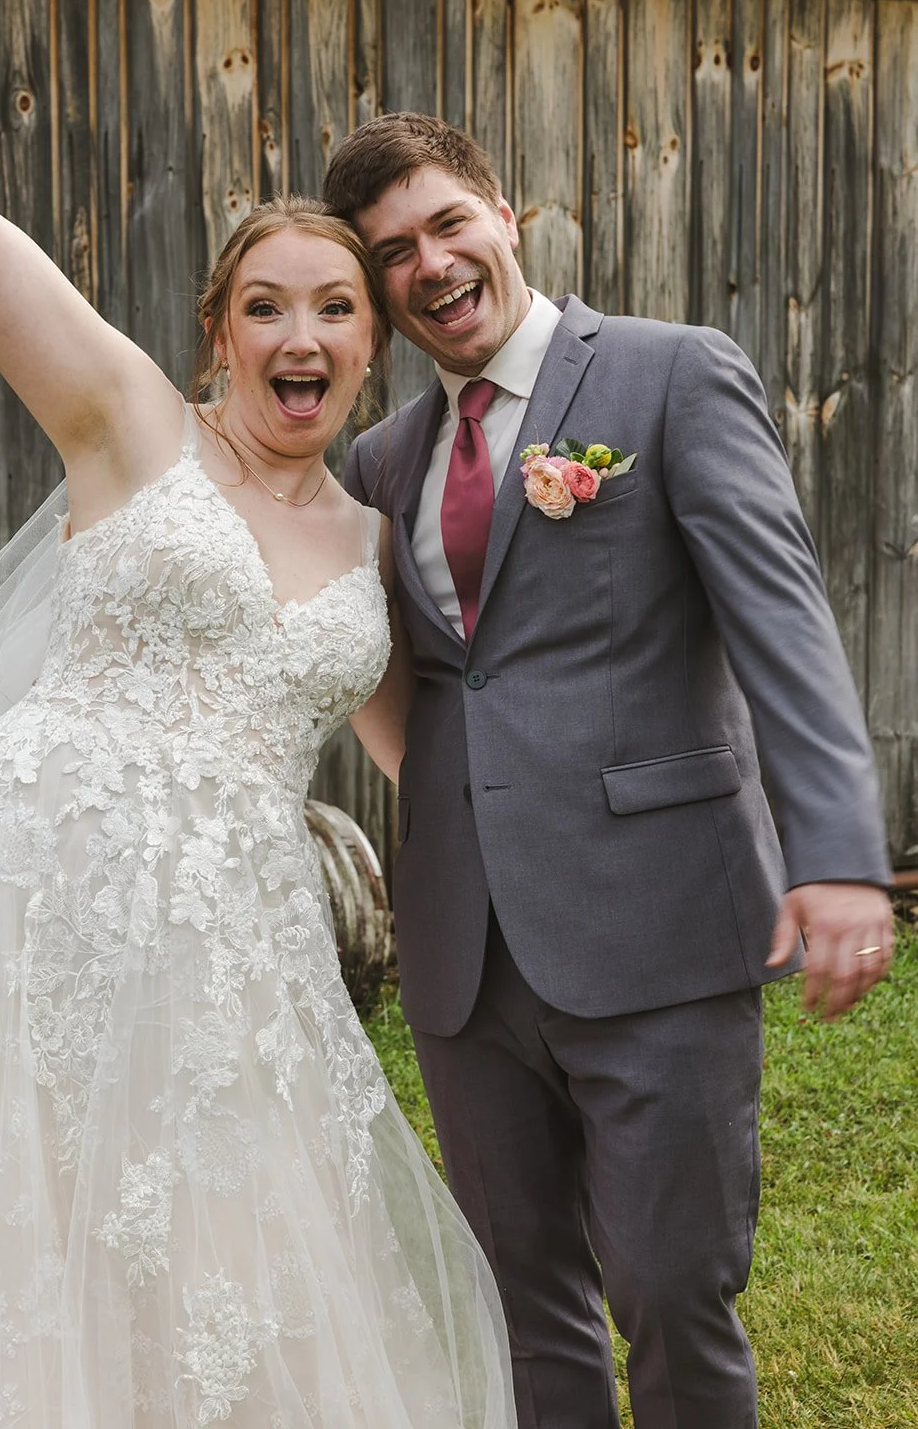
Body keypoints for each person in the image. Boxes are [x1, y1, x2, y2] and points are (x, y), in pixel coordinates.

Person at [0, 10, 518, 1426]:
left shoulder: (375, 547)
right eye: (267, 305)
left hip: (235, 944)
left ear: (373, 346)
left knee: (209, 1249)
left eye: (337, 308)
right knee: (4, 1223)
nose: (302, 334)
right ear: (218, 330)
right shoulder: (127, 424)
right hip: (28, 897)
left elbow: (428, 759)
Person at [324, 111, 895, 1429]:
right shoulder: (381, 463)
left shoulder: (666, 375)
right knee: (519, 1299)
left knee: (669, 1285)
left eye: (446, 224)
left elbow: (784, 627)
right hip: (466, 957)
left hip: (657, 919)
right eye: (392, 251)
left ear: (503, 214)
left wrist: (835, 860)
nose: (431, 264)